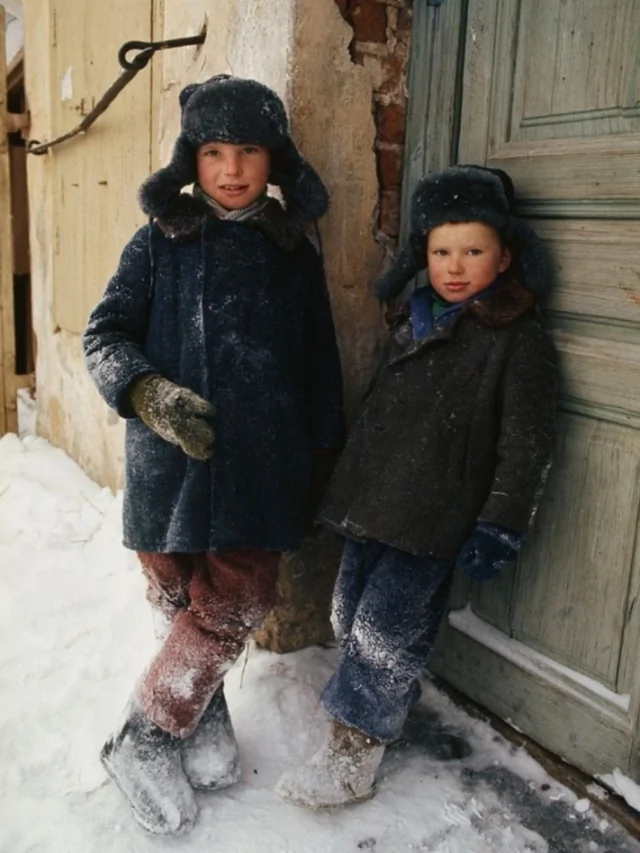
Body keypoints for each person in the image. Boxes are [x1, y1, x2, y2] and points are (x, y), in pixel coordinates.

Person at [83, 74, 344, 835]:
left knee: (236, 599)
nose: (231, 169)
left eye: (250, 151)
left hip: (263, 469)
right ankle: (201, 711)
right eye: (214, 151)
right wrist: (149, 395)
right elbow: (105, 336)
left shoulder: (293, 251)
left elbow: (319, 362)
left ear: (275, 159)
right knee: (177, 594)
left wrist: (324, 455)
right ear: (190, 160)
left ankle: (148, 732)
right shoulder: (159, 243)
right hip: (169, 469)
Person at [276, 165, 558, 809]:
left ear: (506, 255)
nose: (454, 266)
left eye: (473, 250)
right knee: (347, 613)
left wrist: (501, 522)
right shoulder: (411, 319)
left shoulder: (518, 341)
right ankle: (383, 706)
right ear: (421, 254)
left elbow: (527, 444)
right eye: (440, 250)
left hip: (435, 514)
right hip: (372, 504)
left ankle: (352, 756)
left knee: (384, 631)